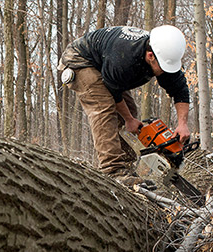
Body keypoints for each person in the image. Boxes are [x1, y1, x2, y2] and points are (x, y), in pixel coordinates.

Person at [58, 25, 191, 187]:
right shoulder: (124, 59)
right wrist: (128, 119)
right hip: (81, 60)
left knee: (130, 110)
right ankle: (112, 170)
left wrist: (182, 124)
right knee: (104, 108)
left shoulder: (165, 53)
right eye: (162, 67)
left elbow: (180, 90)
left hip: (105, 64)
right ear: (150, 56)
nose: (165, 72)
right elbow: (113, 92)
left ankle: (126, 165)